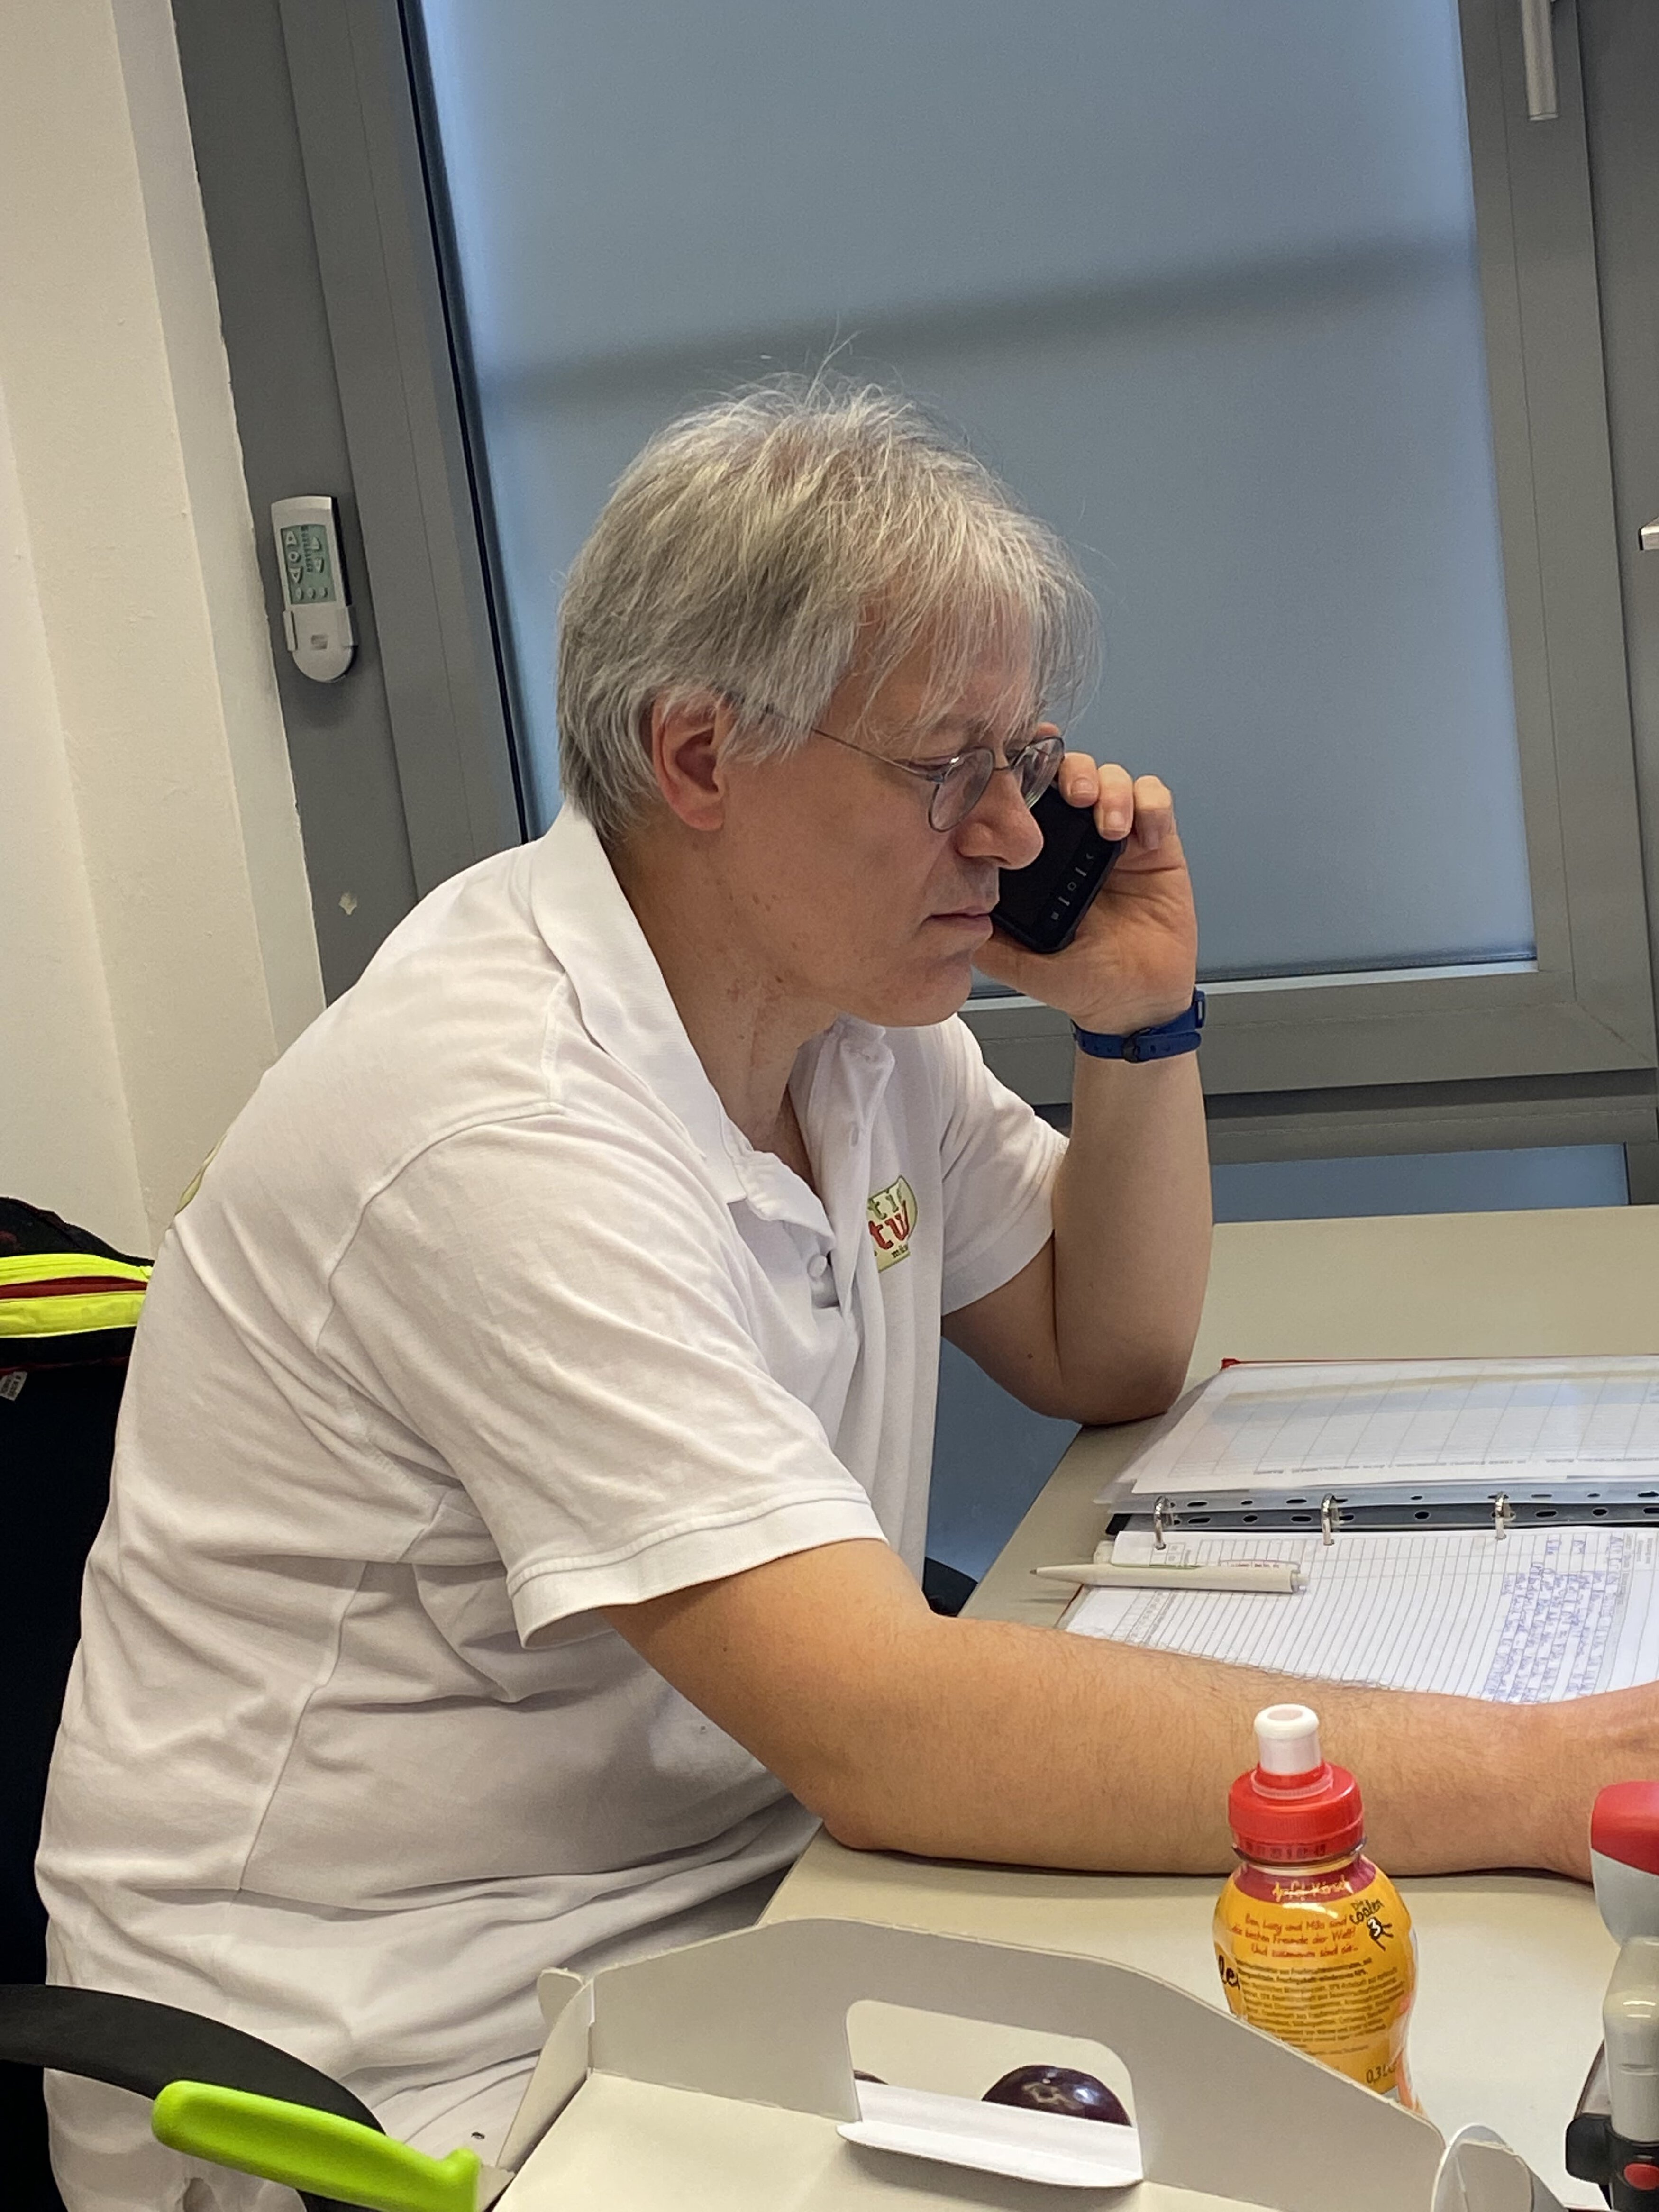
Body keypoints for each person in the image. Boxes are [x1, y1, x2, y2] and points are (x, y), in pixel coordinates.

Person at [36, 383, 1659, 2209]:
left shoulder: (849, 1019)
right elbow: (882, 1728)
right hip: (391, 2059)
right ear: (700, 759)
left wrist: (1133, 1021)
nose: (1010, 833)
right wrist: (1536, 1772)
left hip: (735, 1901)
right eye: (944, 766)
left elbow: (1102, 1347)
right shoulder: (494, 1120)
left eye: (1023, 758)